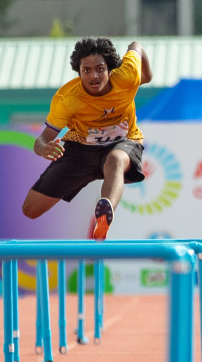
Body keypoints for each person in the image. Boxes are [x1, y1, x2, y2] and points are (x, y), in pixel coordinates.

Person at [23, 38, 153, 240]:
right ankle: (89, 175)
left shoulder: (127, 76)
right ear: (79, 72)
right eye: (86, 70)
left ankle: (103, 218)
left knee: (116, 160)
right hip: (81, 151)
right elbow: (42, 139)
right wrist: (44, 149)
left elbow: (136, 46)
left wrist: (146, 73)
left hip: (123, 142)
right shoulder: (68, 99)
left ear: (110, 69)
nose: (94, 76)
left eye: (100, 69)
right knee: (30, 209)